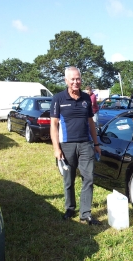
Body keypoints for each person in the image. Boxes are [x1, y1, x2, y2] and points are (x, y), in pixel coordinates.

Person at [50, 66, 102, 225]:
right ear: (66, 80)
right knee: (69, 179)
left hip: (86, 144)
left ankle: (85, 214)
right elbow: (53, 125)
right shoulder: (58, 98)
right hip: (66, 145)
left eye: (78, 78)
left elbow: (90, 123)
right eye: (72, 79)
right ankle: (70, 208)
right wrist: (56, 148)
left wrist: (96, 143)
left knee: (89, 178)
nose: (76, 82)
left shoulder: (86, 98)